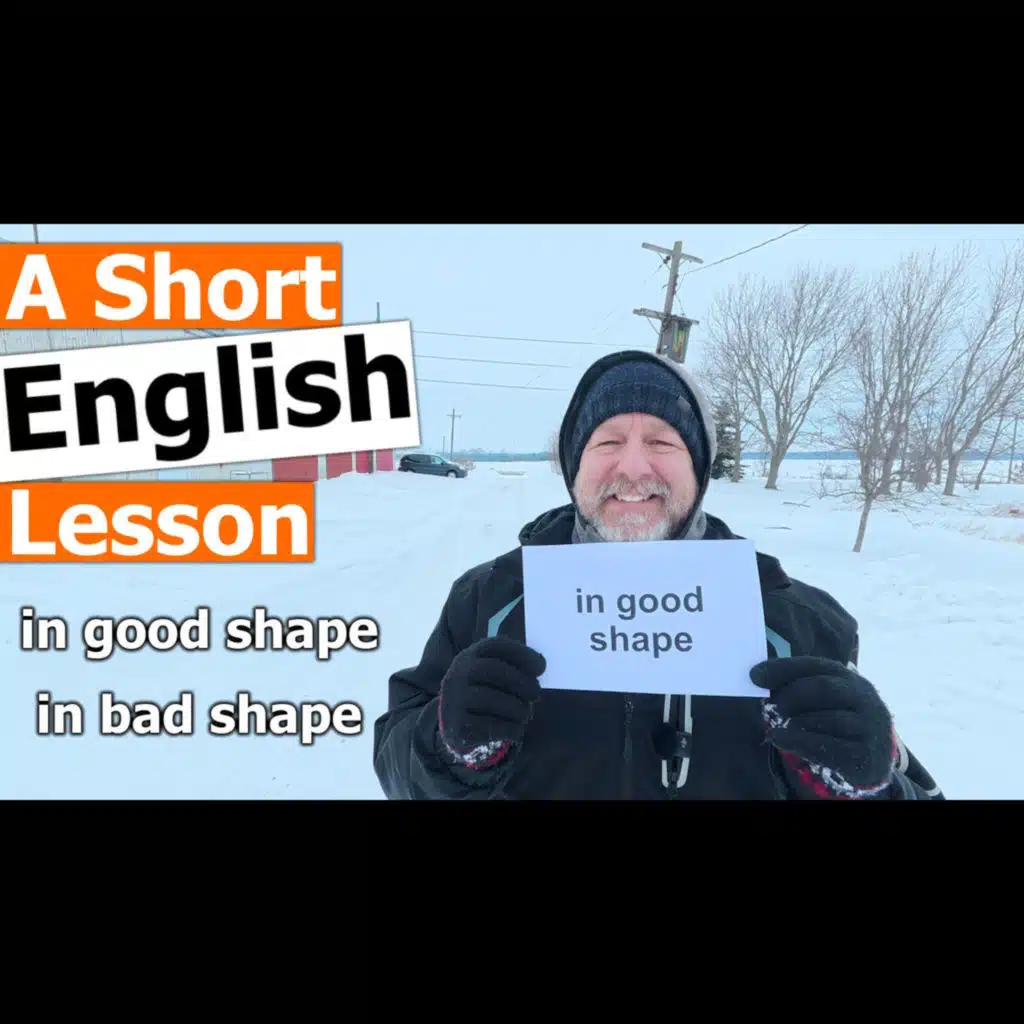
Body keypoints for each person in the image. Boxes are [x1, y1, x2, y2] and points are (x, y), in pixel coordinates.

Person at [373, 349, 944, 800]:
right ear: (575, 466)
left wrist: (864, 783)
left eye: (661, 442)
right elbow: (397, 767)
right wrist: (445, 746)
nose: (632, 466)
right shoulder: (488, 599)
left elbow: (909, 787)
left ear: (698, 468)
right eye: (608, 441)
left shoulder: (795, 620)